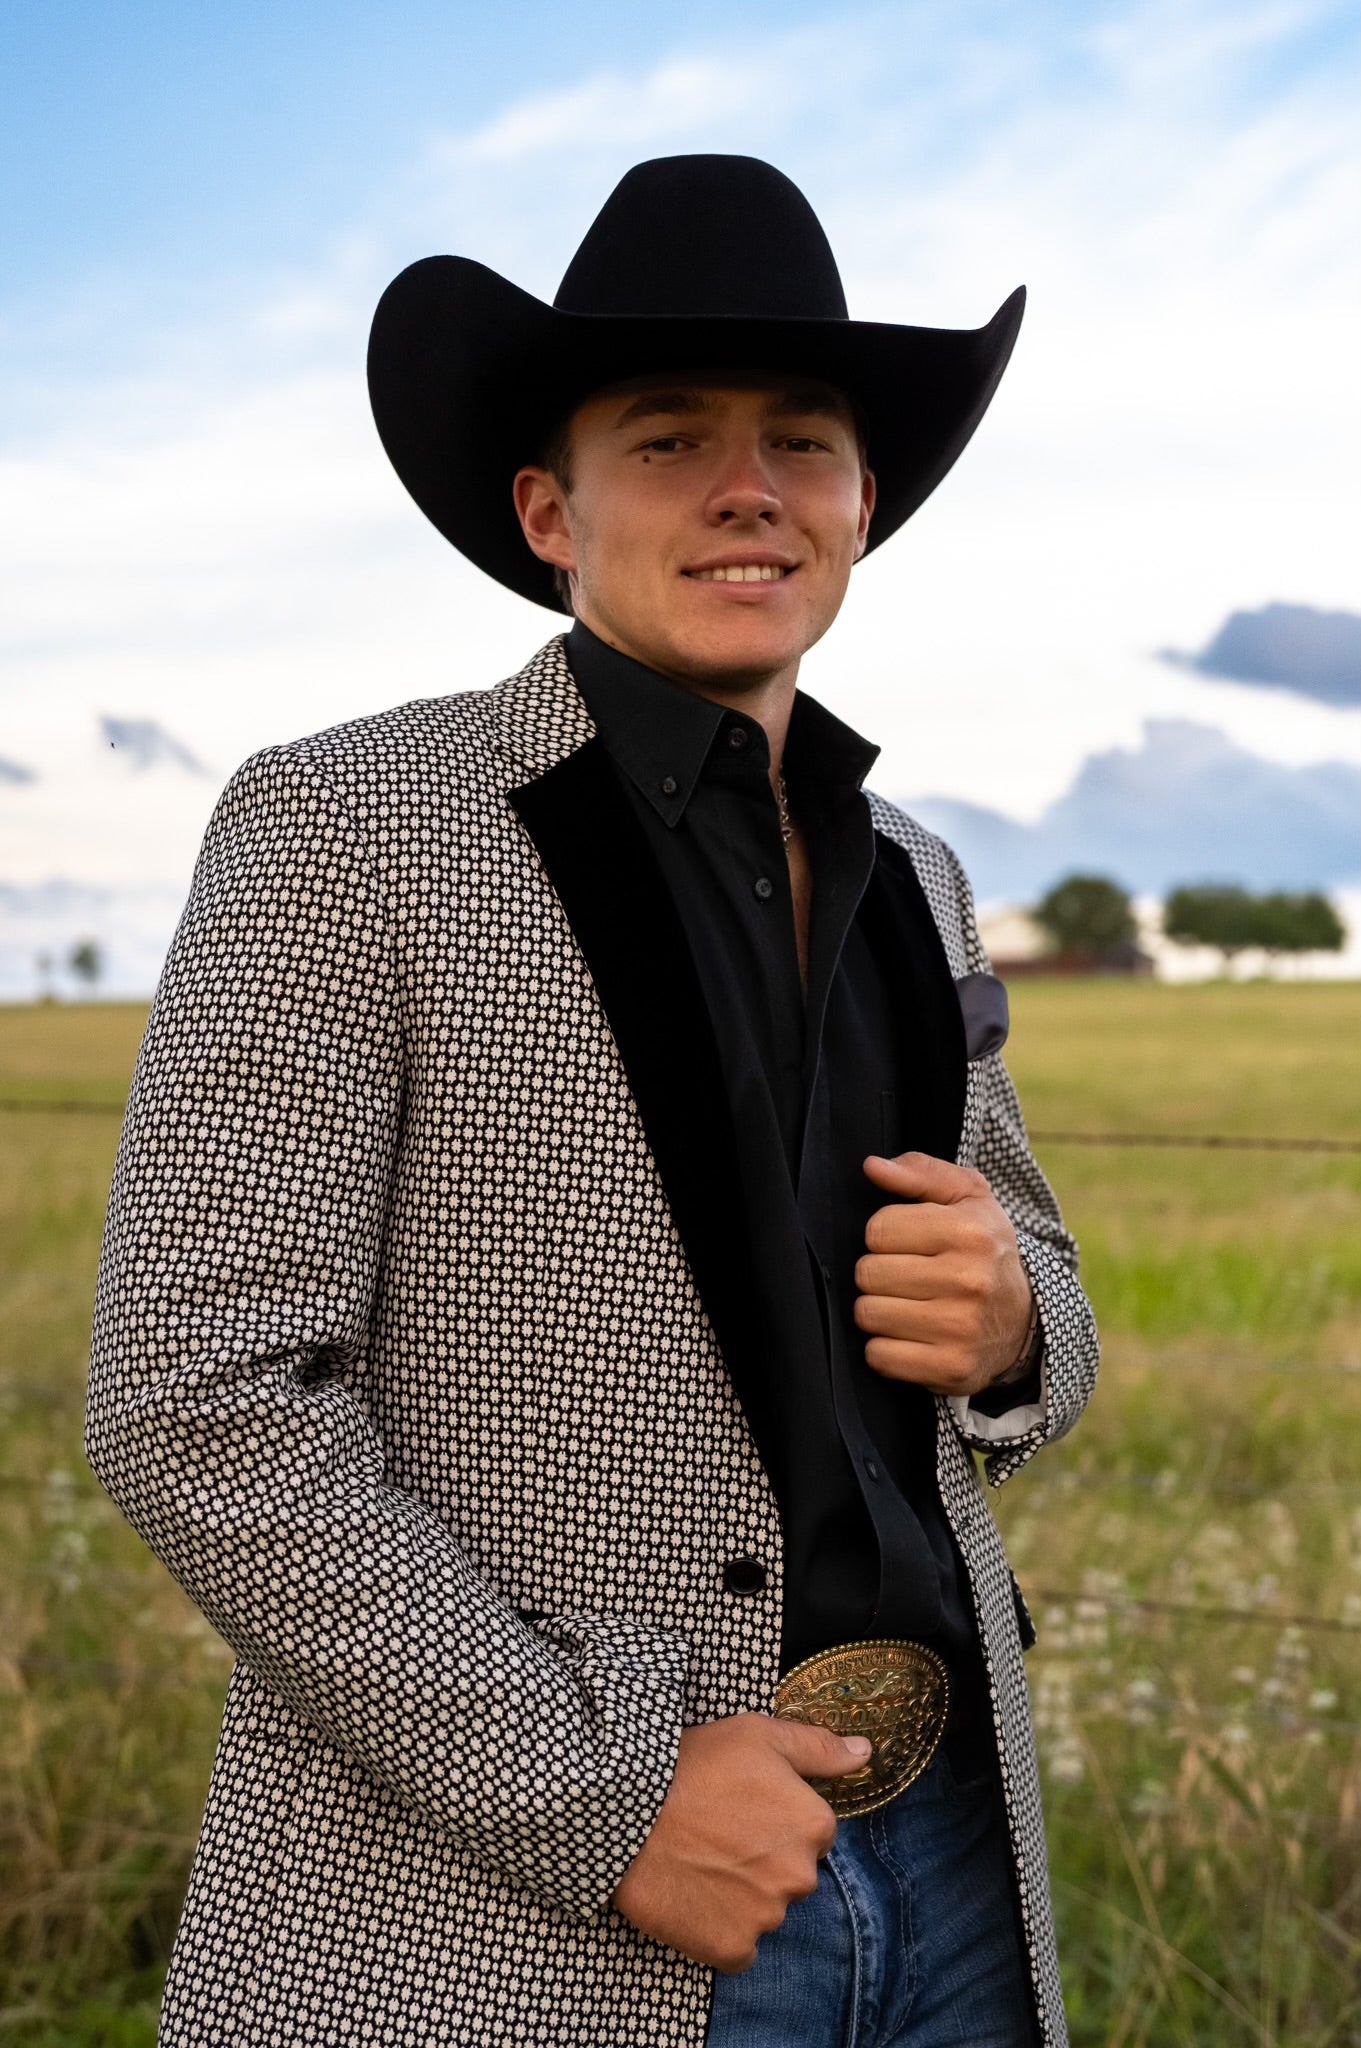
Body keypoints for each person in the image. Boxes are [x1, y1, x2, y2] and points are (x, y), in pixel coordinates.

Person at [87, 154, 1099, 2047]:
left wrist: (1025, 1320)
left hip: (955, 1853)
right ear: (548, 508)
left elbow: (1021, 1249)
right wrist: (602, 1800)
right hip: (531, 1890)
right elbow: (192, 1398)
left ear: (861, 501)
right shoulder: (347, 822)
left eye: (801, 440)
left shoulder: (921, 874)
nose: (749, 485)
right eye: (669, 438)